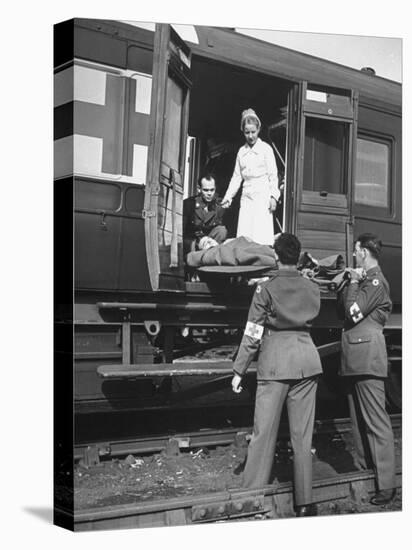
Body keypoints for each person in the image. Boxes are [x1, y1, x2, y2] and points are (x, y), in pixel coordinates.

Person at [231, 233, 322, 517]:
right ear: (297, 256)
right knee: (302, 437)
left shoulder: (265, 290)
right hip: (307, 361)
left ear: (276, 255)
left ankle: (251, 496)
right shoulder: (312, 287)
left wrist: (239, 369)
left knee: (264, 433)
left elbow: (253, 332)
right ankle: (304, 502)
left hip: (275, 364)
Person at [337, 233, 396, 505]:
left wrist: (353, 281)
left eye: (355, 251)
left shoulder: (374, 281)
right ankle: (367, 473)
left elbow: (353, 312)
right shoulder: (368, 280)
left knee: (375, 422)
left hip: (366, 358)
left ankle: (386, 485)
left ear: (362, 252)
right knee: (360, 423)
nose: (353, 255)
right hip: (356, 358)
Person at [221, 108, 280, 245]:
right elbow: (236, 177)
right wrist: (228, 197)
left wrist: (273, 197)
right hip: (247, 196)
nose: (250, 136)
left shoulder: (266, 149)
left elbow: (273, 176)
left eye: (253, 132)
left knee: (260, 234)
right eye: (247, 132)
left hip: (262, 196)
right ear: (243, 132)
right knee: (246, 234)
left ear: (258, 129)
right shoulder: (242, 152)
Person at [183, 174, 227, 255]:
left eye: (212, 190)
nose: (209, 193)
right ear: (199, 189)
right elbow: (183, 231)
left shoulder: (219, 205)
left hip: (211, 240)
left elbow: (219, 230)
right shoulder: (189, 204)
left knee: (221, 230)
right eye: (206, 190)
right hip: (194, 241)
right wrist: (199, 241)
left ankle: (212, 259)